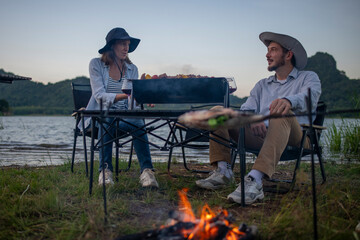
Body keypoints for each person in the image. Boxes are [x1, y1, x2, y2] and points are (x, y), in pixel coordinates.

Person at [196, 32, 321, 204]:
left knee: (280, 112)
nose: (267, 55)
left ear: (288, 54)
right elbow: (247, 109)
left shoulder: (308, 77)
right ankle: (223, 171)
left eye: (273, 50)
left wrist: (288, 101)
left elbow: (311, 97)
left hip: (296, 138)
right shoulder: (262, 84)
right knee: (217, 112)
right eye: (268, 50)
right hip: (261, 136)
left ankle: (255, 180)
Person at [80, 27, 159, 188]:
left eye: (128, 44)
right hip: (99, 119)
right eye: (122, 44)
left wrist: (143, 95)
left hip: (124, 119)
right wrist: (129, 94)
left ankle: (147, 172)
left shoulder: (132, 69)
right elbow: (99, 96)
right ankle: (105, 171)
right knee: (107, 117)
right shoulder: (96, 64)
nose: (126, 48)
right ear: (112, 46)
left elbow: (132, 103)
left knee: (137, 120)